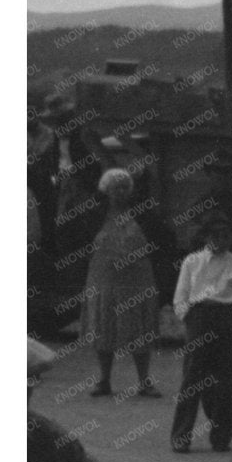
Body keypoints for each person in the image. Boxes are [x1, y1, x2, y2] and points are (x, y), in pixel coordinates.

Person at [169, 213, 232, 452]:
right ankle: (181, 437)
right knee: (191, 379)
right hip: (199, 317)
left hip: (226, 318)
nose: (221, 240)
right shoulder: (192, 261)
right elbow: (181, 295)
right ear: (207, 237)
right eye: (216, 235)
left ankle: (221, 436)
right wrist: (186, 315)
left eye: (226, 236)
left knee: (224, 380)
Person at [80, 167, 163, 398]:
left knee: (140, 327)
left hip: (137, 279)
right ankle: (104, 380)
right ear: (106, 190)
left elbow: (161, 240)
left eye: (125, 187)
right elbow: (80, 241)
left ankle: (144, 381)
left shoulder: (144, 214)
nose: (121, 192)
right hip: (104, 277)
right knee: (104, 325)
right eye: (115, 188)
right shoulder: (94, 215)